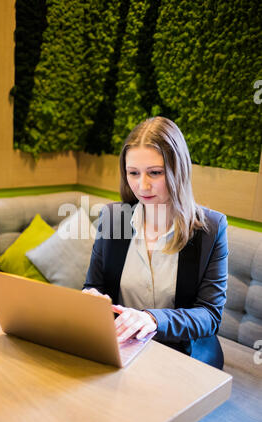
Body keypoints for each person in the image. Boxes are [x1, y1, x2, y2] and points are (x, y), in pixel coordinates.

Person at [83, 116, 228, 369]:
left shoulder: (211, 228)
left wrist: (152, 319)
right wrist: (91, 299)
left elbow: (210, 315)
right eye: (133, 173)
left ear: (178, 170)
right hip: (122, 349)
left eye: (155, 173)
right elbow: (94, 286)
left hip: (183, 355)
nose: (142, 185)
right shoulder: (113, 219)